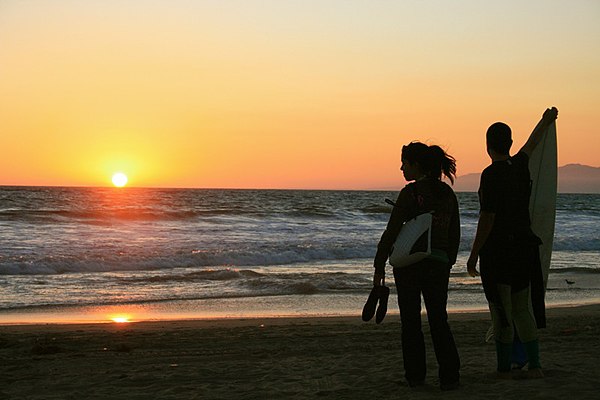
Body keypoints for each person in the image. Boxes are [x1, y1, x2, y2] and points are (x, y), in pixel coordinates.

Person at [467, 107, 559, 379]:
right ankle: (536, 364)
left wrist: (474, 255)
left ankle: (504, 367)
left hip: (499, 252)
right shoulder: (520, 166)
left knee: (501, 311)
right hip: (524, 248)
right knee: (521, 309)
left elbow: (488, 218)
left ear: (487, 145)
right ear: (509, 144)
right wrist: (545, 120)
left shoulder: (491, 174)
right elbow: (532, 143)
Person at [373, 142, 461, 390]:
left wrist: (379, 265)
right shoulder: (448, 194)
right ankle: (450, 376)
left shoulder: (410, 193)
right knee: (438, 320)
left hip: (410, 265)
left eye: (405, 163)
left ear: (416, 165)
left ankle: (415, 377)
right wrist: (448, 260)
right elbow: (455, 233)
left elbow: (391, 232)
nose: (401, 168)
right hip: (439, 264)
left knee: (411, 322)